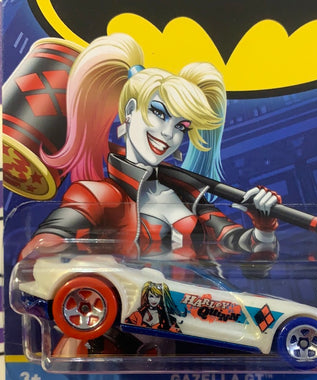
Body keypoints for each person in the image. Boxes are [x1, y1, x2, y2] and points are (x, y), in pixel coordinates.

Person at [20, 33, 281, 261]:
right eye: (158, 113)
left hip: (197, 300)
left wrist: (264, 227)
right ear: (130, 111)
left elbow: (242, 245)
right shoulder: (97, 196)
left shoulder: (187, 194)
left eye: (181, 126)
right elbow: (38, 252)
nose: (168, 133)